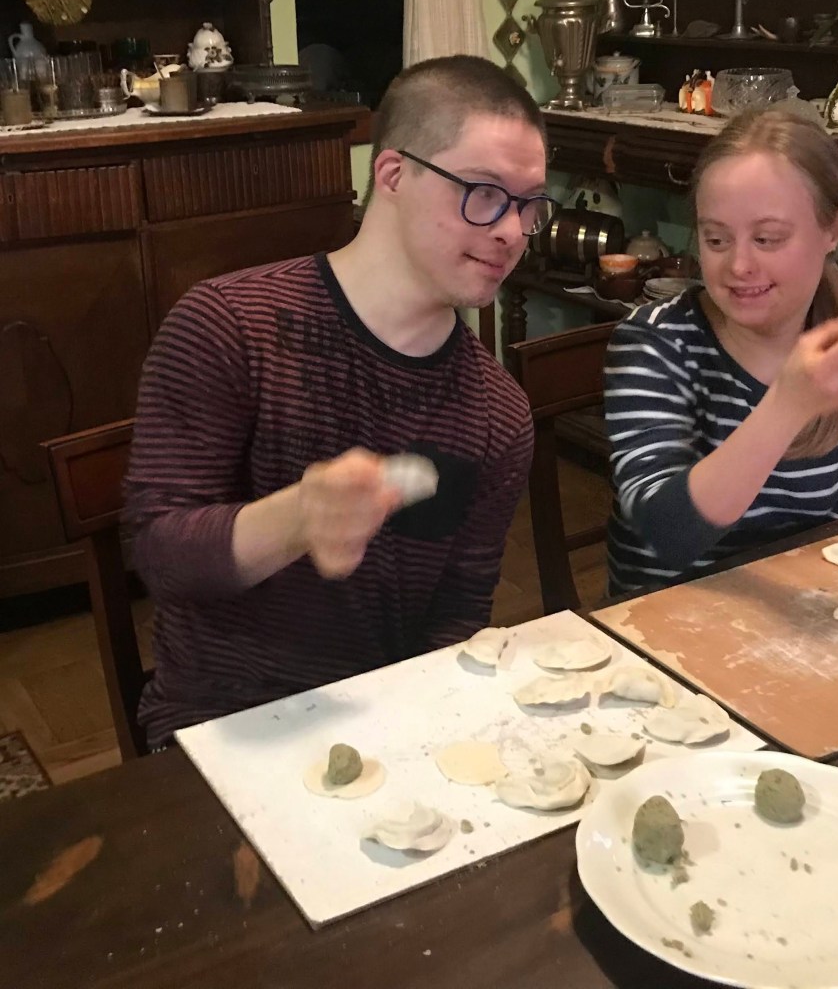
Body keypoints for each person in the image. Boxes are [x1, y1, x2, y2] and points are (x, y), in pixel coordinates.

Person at [124, 55, 556, 748]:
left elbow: (458, 613)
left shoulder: (498, 412)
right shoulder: (231, 325)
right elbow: (159, 555)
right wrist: (296, 518)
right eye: (484, 193)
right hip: (223, 733)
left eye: (529, 204)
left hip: (390, 726)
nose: (512, 230)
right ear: (393, 174)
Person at [604, 109, 838, 596]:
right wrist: (787, 406)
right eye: (716, 239)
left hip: (800, 605)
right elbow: (667, 535)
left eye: (767, 238)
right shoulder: (656, 342)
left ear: (834, 230)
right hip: (663, 616)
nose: (739, 264)